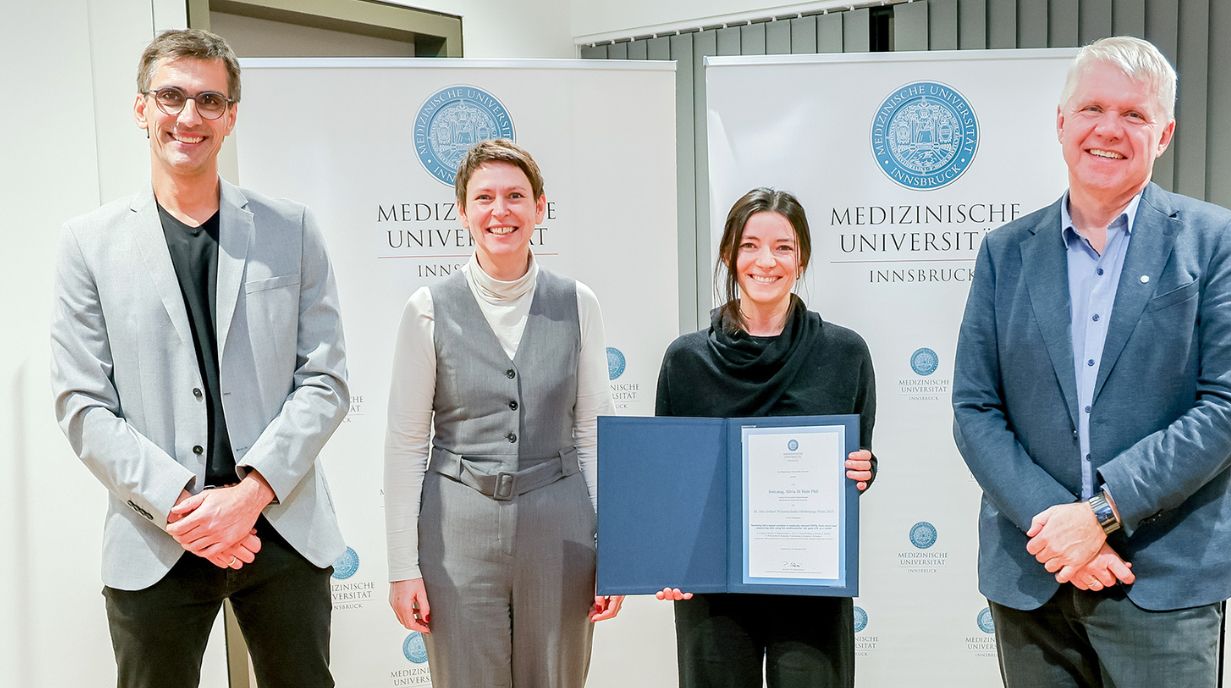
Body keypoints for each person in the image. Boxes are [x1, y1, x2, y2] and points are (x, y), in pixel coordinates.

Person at [951, 36, 1231, 686]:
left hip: (1163, 579)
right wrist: (1056, 527)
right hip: (1033, 574)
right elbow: (975, 407)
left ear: (1164, 134)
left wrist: (1099, 514)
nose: (1109, 129)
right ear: (1061, 122)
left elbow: (1229, 407)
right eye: (1092, 108)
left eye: (1134, 114)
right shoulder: (1005, 252)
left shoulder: (1213, 240)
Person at [50, 29, 350, 688]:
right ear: (141, 108)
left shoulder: (291, 229)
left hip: (280, 526)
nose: (190, 116)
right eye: (172, 97)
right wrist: (185, 506)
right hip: (155, 534)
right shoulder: (88, 244)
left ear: (231, 116)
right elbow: (82, 404)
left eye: (209, 100)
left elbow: (325, 381)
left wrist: (248, 496)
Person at [384, 139, 622, 687]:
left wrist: (615, 552)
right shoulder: (426, 309)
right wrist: (402, 567)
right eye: (484, 197)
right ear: (462, 211)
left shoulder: (578, 303)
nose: (500, 211)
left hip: (561, 533)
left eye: (515, 196)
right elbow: (405, 443)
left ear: (540, 207)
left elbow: (593, 433)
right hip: (456, 536)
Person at [653, 188, 877, 688]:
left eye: (783, 247)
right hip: (712, 585)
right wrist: (666, 558)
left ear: (802, 259)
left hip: (810, 581)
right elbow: (669, 477)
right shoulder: (686, 361)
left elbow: (857, 456)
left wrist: (863, 468)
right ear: (729, 255)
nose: (766, 261)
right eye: (750, 245)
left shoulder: (844, 354)